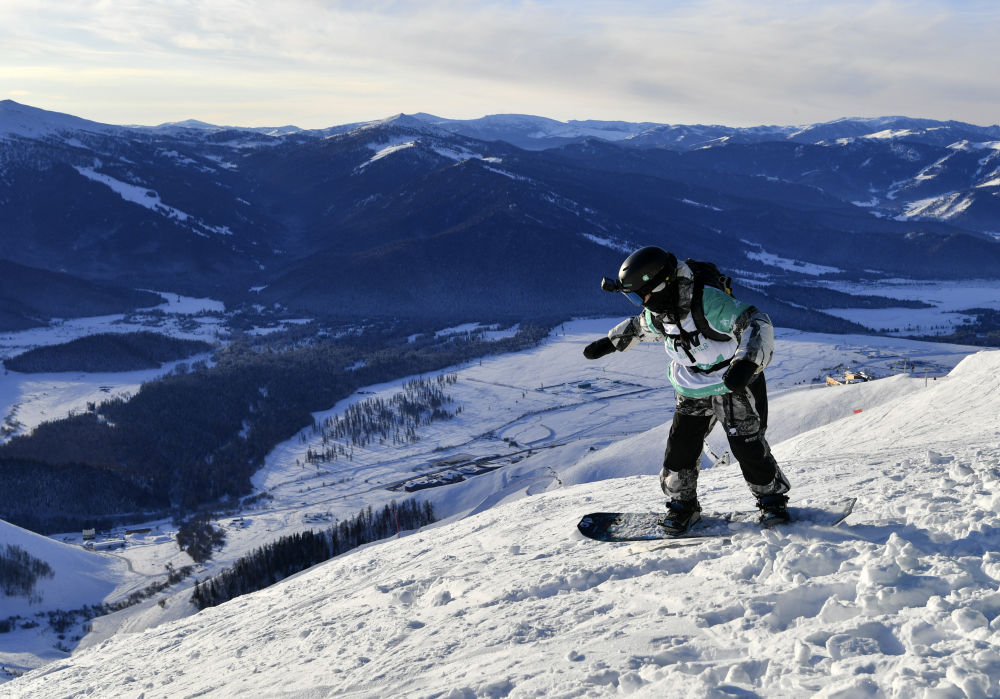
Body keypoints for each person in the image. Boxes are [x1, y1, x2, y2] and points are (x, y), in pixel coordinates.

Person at [583, 246, 790, 533]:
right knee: (681, 448)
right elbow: (640, 327)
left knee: (746, 445)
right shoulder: (660, 310)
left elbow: (754, 322)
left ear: (661, 286)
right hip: (692, 386)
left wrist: (746, 363)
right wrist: (611, 342)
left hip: (732, 382)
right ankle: (683, 506)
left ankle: (771, 500)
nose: (641, 304)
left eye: (640, 296)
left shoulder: (708, 303)